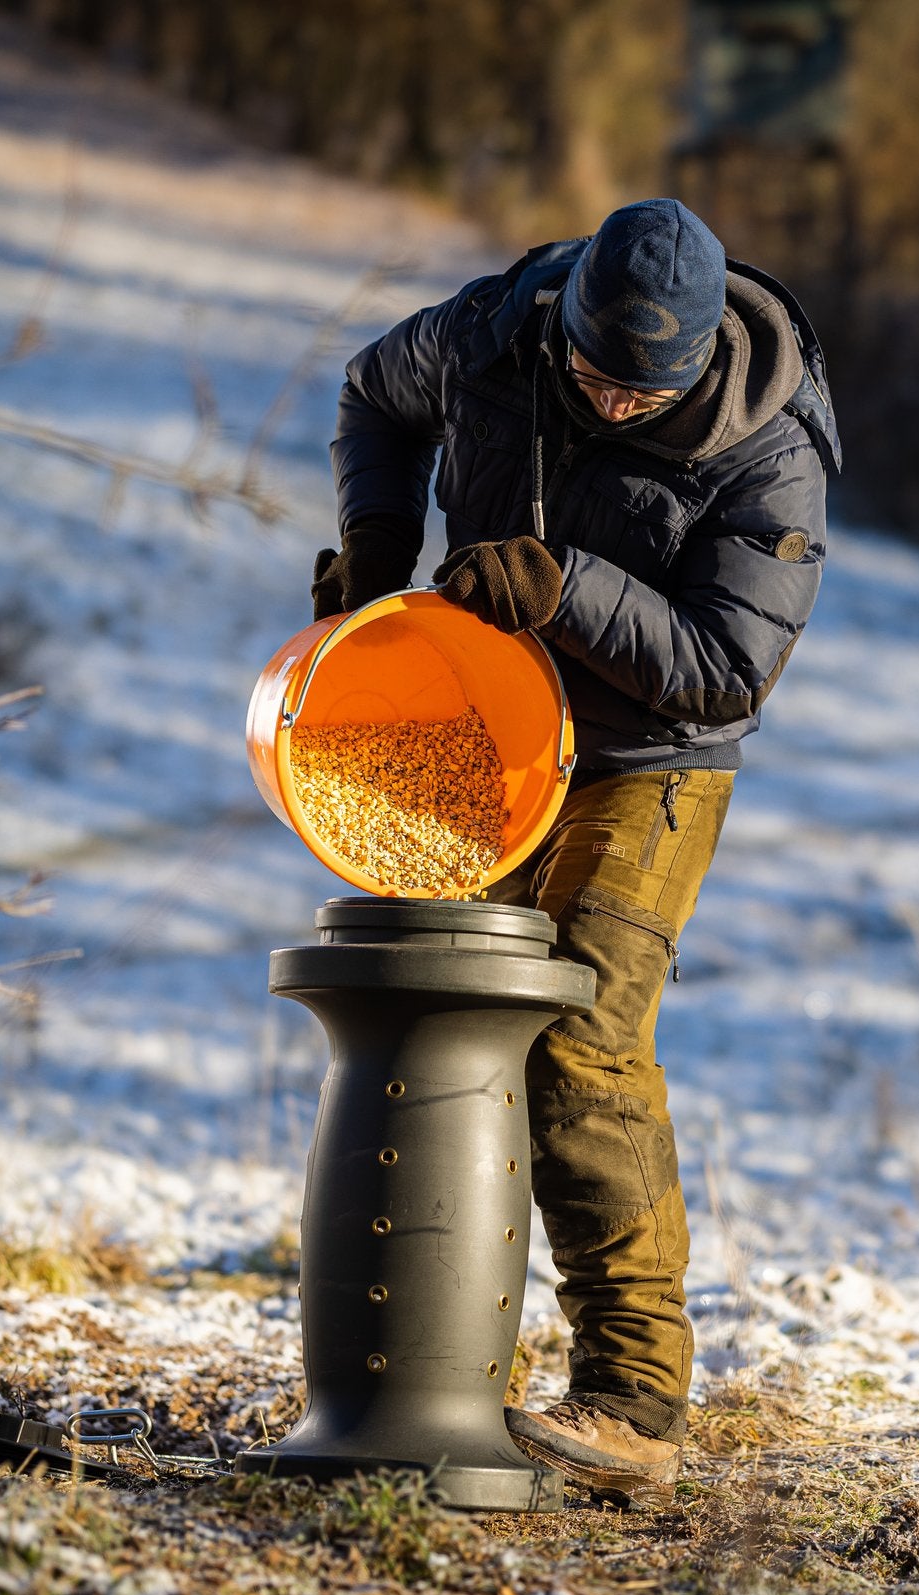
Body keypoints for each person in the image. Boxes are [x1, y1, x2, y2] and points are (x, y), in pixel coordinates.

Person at [316, 198, 837, 1499]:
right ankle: (428, 1376)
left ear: (704, 360)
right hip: (478, 728)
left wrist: (569, 590)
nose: (610, 408)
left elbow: (728, 671)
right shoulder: (496, 332)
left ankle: (633, 1400)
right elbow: (376, 396)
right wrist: (380, 555)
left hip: (647, 767)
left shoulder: (771, 456)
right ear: (563, 328)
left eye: (640, 395)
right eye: (593, 380)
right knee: (433, 1005)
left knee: (578, 1029)